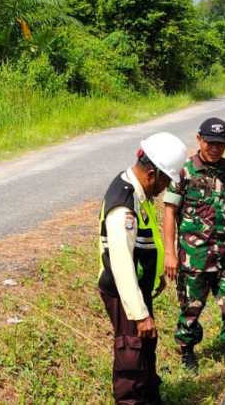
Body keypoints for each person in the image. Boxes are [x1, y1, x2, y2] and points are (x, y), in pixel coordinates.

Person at [97, 132, 187, 405]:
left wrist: (155, 273)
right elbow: (121, 263)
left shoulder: (138, 190)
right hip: (125, 294)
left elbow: (146, 240)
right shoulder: (124, 207)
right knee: (131, 357)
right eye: (166, 181)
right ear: (151, 174)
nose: (165, 188)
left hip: (138, 288)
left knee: (146, 348)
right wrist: (138, 314)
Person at [162, 117, 225, 373]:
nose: (215, 148)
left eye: (220, 144)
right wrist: (170, 253)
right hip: (193, 254)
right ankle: (187, 351)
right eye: (210, 143)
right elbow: (169, 211)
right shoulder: (183, 171)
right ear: (199, 140)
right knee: (191, 306)